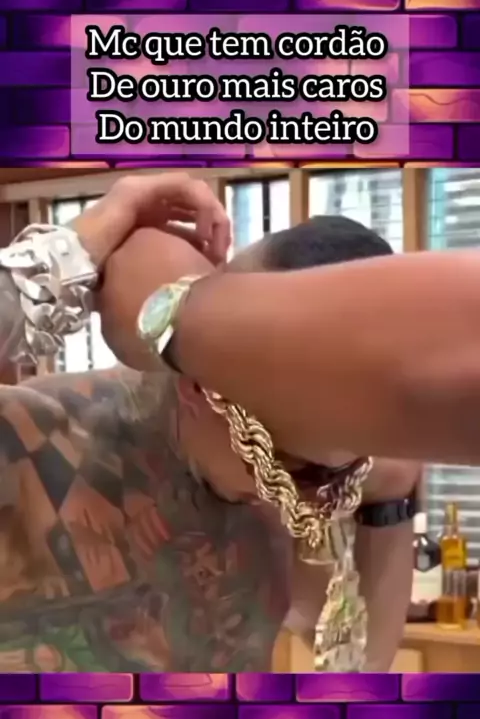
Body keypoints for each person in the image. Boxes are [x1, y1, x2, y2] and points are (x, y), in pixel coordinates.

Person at [0, 177, 417, 672]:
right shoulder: (34, 443)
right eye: (280, 463)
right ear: (198, 384)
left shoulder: (305, 489)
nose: (301, 498)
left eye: (334, 474)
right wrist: (77, 245)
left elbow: (358, 667)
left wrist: (391, 505)